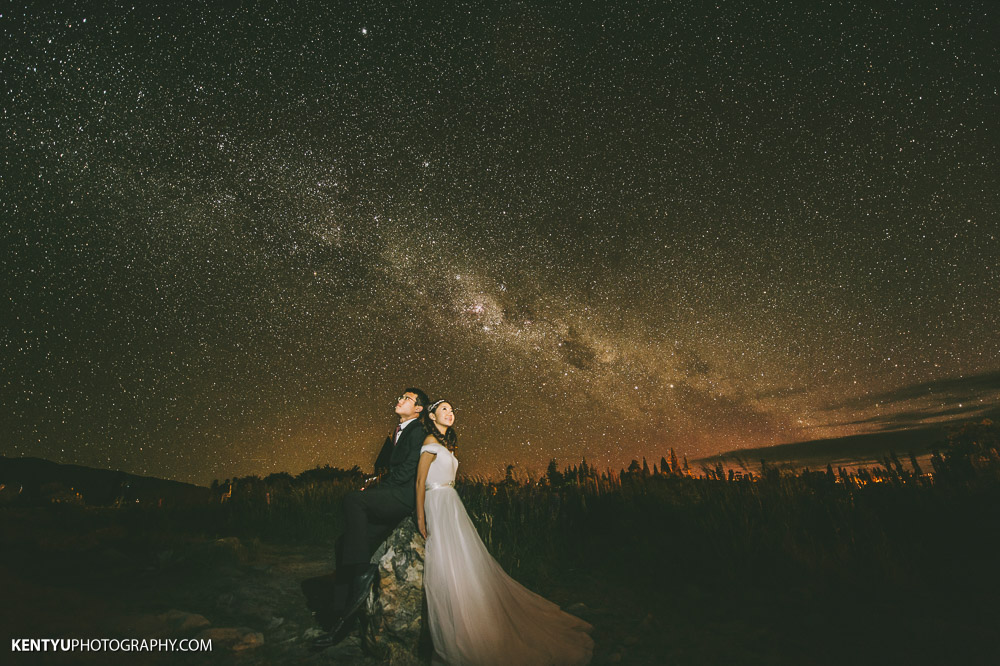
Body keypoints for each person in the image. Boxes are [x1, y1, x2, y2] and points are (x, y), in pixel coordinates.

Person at [416, 400, 594, 665]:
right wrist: (420, 516)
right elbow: (420, 480)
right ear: (431, 415)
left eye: (452, 410)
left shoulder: (445, 444)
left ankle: (474, 622)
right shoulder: (430, 440)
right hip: (437, 502)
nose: (450, 414)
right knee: (445, 559)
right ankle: (456, 628)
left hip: (451, 504)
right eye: (444, 410)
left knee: (464, 561)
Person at [312, 388, 429, 649]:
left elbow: (408, 472)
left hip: (402, 497)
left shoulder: (418, 432)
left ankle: (362, 569)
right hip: (390, 495)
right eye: (400, 396)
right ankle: (340, 623)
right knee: (343, 544)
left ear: (419, 409)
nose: (399, 400)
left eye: (407, 399)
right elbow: (389, 472)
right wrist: (375, 489)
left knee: (353, 499)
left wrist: (374, 492)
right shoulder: (398, 433)